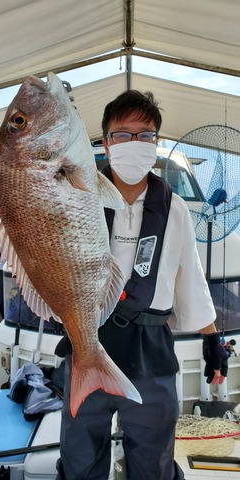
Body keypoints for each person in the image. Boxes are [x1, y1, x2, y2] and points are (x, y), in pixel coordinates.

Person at [55, 90, 229, 480]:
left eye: (145, 134)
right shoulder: (76, 198)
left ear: (156, 142)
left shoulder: (175, 206)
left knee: (153, 459)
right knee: (81, 456)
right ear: (104, 142)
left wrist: (211, 341)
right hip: (87, 340)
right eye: (122, 134)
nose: (134, 143)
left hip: (151, 352)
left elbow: (191, 278)